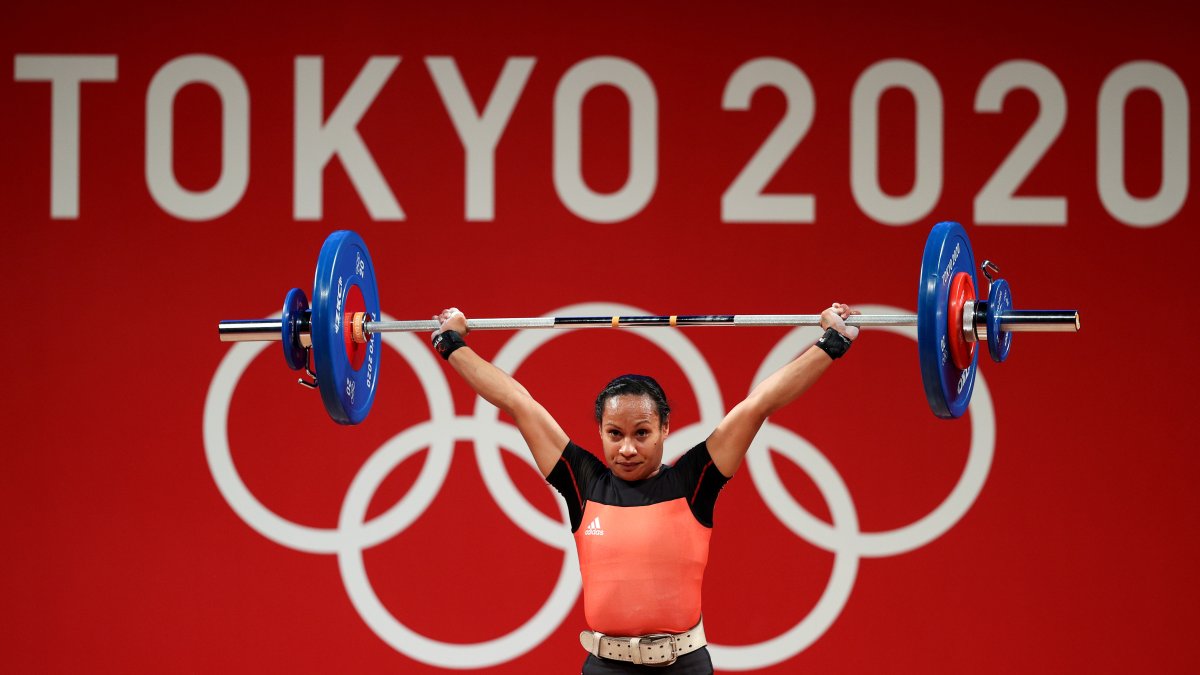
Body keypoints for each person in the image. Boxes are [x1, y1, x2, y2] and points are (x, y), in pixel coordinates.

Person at [429, 304, 861, 674]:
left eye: (642, 432)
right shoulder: (583, 481)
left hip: (685, 666)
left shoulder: (695, 480)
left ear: (665, 429)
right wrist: (453, 345)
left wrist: (830, 345)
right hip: (604, 667)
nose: (628, 448)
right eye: (615, 434)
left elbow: (758, 404)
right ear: (599, 431)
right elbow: (517, 403)